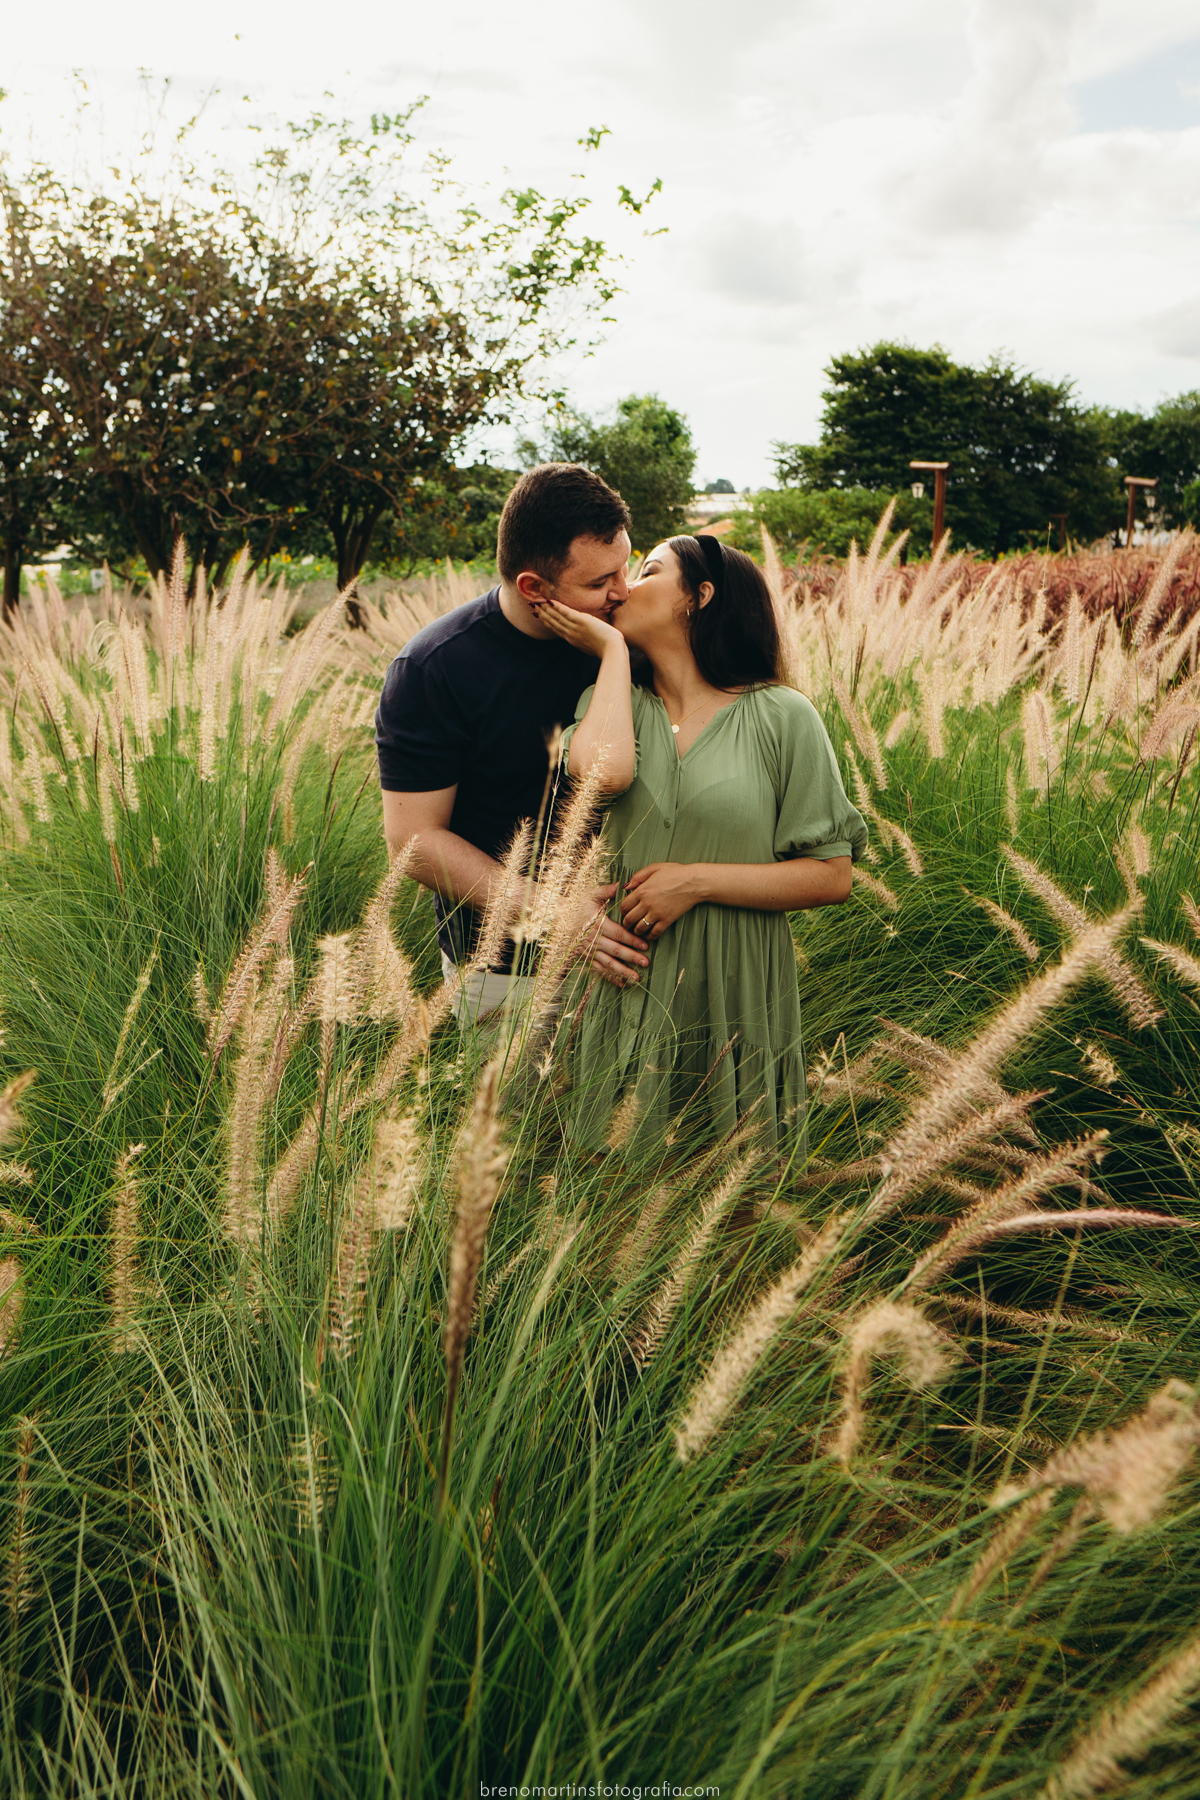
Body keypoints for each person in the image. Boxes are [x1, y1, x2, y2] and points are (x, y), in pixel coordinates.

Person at [535, 533, 868, 1148]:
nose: (624, 587)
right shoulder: (611, 703)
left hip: (736, 982)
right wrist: (610, 653)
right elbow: (596, 779)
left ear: (699, 596)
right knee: (616, 1195)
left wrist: (695, 882)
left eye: (649, 570)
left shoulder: (783, 717)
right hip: (626, 978)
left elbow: (831, 874)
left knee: (735, 1186)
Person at [375, 463, 651, 1027]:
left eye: (628, 567)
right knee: (519, 1117)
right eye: (600, 582)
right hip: (504, 968)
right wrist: (559, 915)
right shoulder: (434, 668)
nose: (623, 593)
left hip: (642, 954)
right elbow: (414, 838)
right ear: (534, 588)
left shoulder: (634, 638)